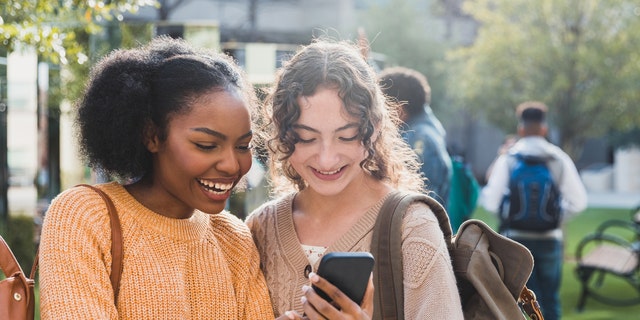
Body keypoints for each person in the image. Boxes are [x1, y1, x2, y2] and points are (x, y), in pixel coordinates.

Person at [37, 36, 278, 319]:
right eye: (206, 145)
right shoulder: (85, 217)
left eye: (242, 146)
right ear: (152, 136)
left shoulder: (234, 240)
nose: (231, 165)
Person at [246, 39, 464, 319]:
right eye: (306, 138)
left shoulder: (412, 228)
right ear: (282, 133)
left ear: (373, 129)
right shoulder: (260, 227)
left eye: (346, 136)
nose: (326, 159)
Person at [481, 101, 587, 320]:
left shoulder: (509, 158)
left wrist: (508, 214)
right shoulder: (558, 159)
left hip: (516, 240)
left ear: (521, 129)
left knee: (520, 302)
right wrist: (555, 218)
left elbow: (490, 201)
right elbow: (579, 201)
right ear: (544, 129)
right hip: (550, 239)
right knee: (550, 300)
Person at [377, 67, 451, 207]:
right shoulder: (425, 130)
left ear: (398, 109)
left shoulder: (421, 141)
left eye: (380, 106)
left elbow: (420, 203)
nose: (376, 113)